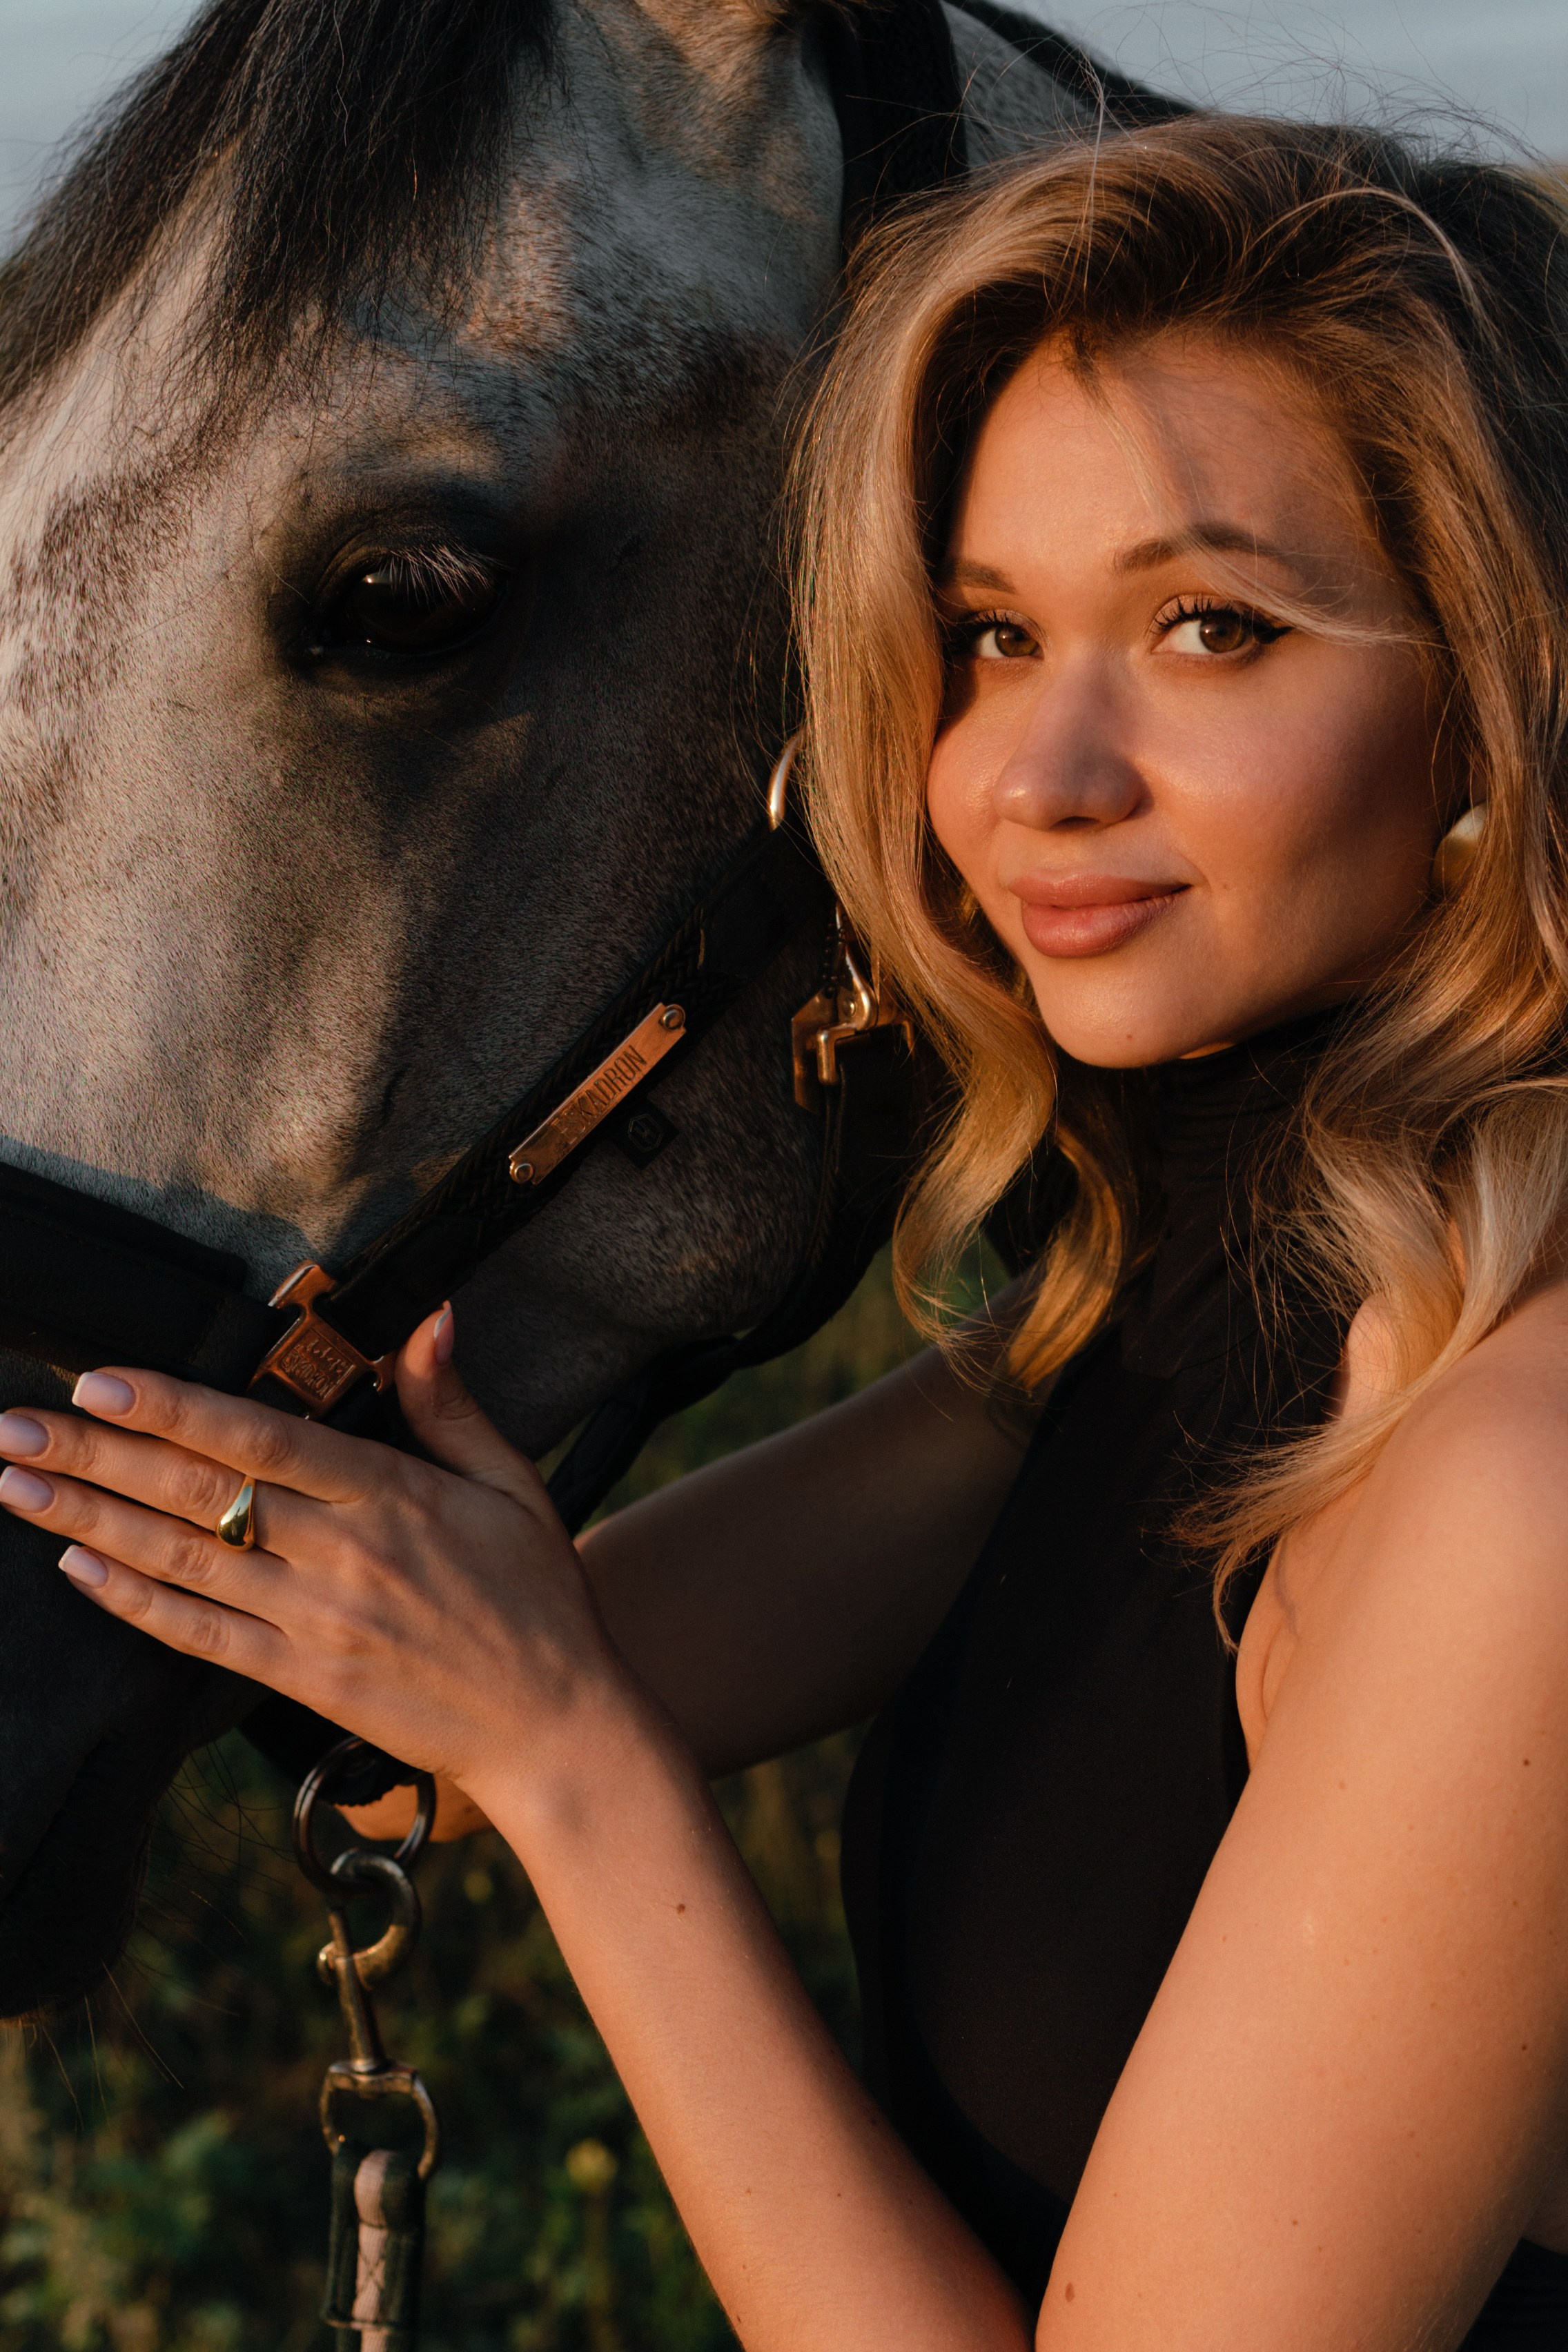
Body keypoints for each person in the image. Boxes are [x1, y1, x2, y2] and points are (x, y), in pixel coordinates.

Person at [4, 114, 1568, 2349]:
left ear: (1498, 697)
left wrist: (572, 1769)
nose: (1040, 771)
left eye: (1213, 628)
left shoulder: (1512, 1474)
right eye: (997, 634)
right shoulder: (1152, 1320)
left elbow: (538, 1731)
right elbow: (436, 1721)